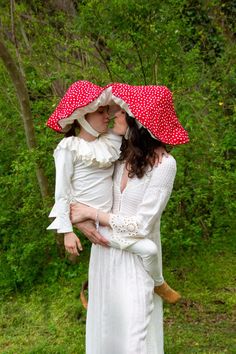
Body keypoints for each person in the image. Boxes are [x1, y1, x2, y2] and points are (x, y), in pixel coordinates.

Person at [70, 83, 189, 354]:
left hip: (135, 261)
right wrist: (78, 219)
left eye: (123, 112)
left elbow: (141, 225)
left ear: (140, 122)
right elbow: (80, 182)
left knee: (135, 333)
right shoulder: (120, 154)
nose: (116, 115)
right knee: (105, 327)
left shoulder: (165, 165)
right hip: (104, 255)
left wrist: (92, 214)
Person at [46, 80, 180, 305]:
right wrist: (71, 227)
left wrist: (89, 213)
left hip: (121, 233)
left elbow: (126, 114)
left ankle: (158, 282)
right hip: (101, 233)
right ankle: (153, 284)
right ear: (82, 116)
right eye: (102, 112)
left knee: (148, 250)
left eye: (116, 112)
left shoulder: (112, 145)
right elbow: (64, 192)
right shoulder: (74, 148)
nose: (110, 116)